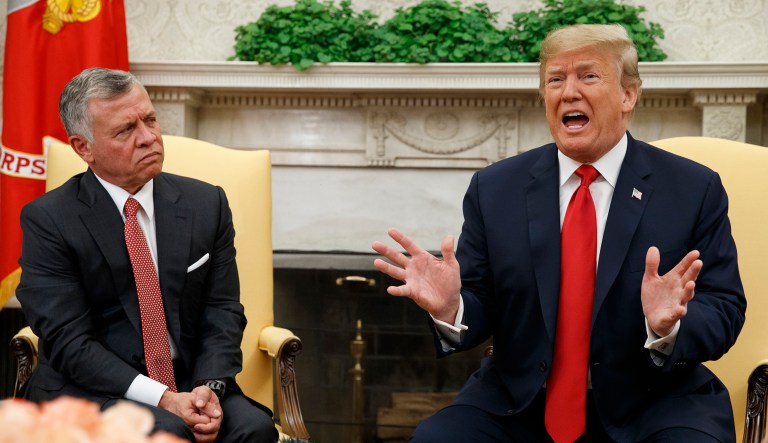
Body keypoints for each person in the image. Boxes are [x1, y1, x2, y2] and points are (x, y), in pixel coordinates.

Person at [372, 24, 746, 443]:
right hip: (519, 402)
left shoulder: (693, 188)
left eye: (588, 76)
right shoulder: (495, 189)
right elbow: (480, 306)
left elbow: (725, 305)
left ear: (628, 95)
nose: (569, 92)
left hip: (654, 402)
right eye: (555, 79)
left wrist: (667, 327)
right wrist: (451, 308)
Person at [16, 68, 278, 443]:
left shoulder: (207, 203)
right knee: (164, 432)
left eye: (150, 120)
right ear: (82, 148)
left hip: (190, 381)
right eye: (125, 130)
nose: (149, 138)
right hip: (92, 391)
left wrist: (210, 389)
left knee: (254, 429)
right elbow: (68, 341)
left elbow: (222, 311)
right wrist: (162, 399)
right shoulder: (49, 220)